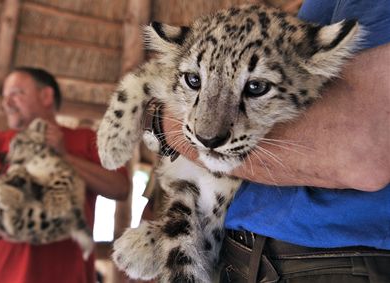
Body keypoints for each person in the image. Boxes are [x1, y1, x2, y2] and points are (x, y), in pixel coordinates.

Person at [159, 0, 390, 282]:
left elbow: (363, 152)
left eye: (256, 86)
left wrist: (159, 120)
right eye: (194, 80)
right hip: (249, 255)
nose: (208, 132)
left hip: (329, 261)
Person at [0, 67, 130, 283]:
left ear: (46, 96)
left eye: (15, 93)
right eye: (4, 96)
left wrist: (63, 156)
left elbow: (121, 188)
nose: (7, 103)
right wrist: (8, 226)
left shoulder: (85, 140)